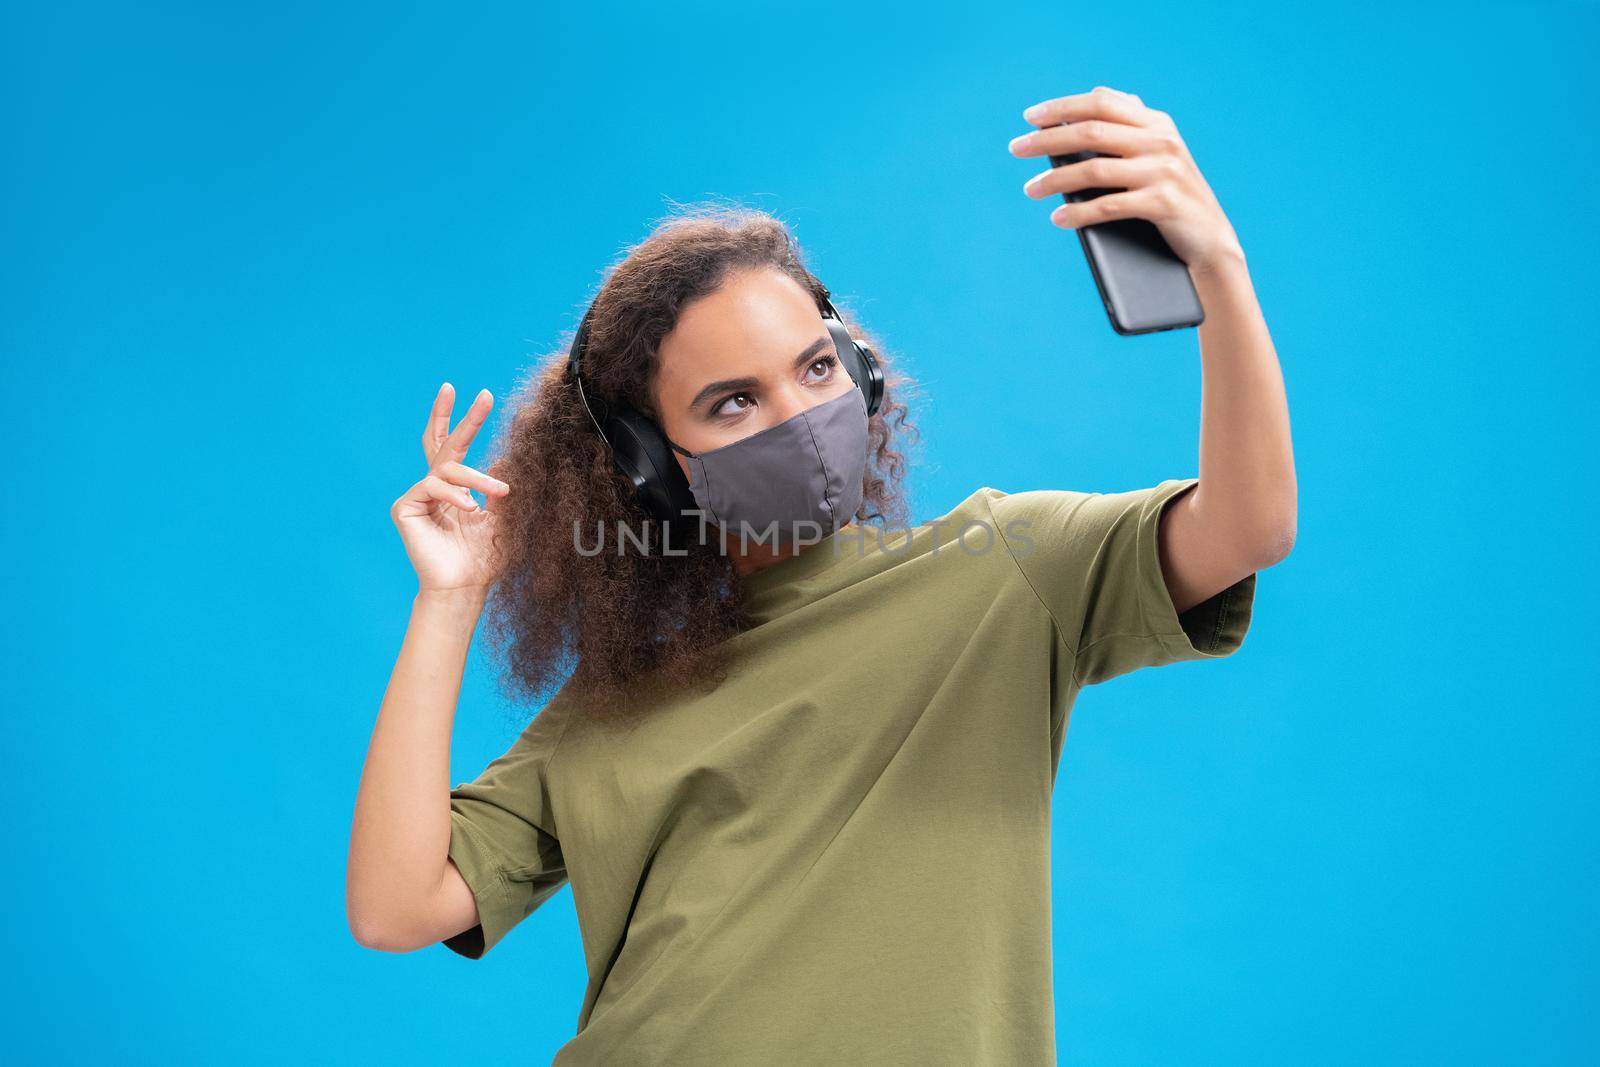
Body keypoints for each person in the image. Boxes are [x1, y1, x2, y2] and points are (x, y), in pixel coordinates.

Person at [346, 87, 1296, 1065]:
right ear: (648, 464)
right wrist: (449, 598)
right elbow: (394, 905)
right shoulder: (615, 699)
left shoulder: (1007, 570)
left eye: (812, 369)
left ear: (860, 367)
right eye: (729, 403)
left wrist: (1217, 270)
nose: (794, 419)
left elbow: (1247, 525)